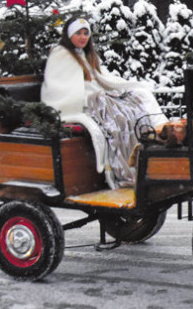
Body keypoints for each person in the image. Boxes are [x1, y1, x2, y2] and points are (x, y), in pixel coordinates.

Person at [41, 16, 168, 189]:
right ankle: (125, 167)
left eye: (86, 33)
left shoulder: (86, 55)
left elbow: (100, 78)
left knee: (134, 105)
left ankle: (149, 150)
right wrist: (93, 96)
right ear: (69, 35)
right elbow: (61, 86)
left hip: (94, 96)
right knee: (116, 117)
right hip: (75, 102)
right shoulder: (61, 54)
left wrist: (115, 88)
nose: (83, 37)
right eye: (79, 33)